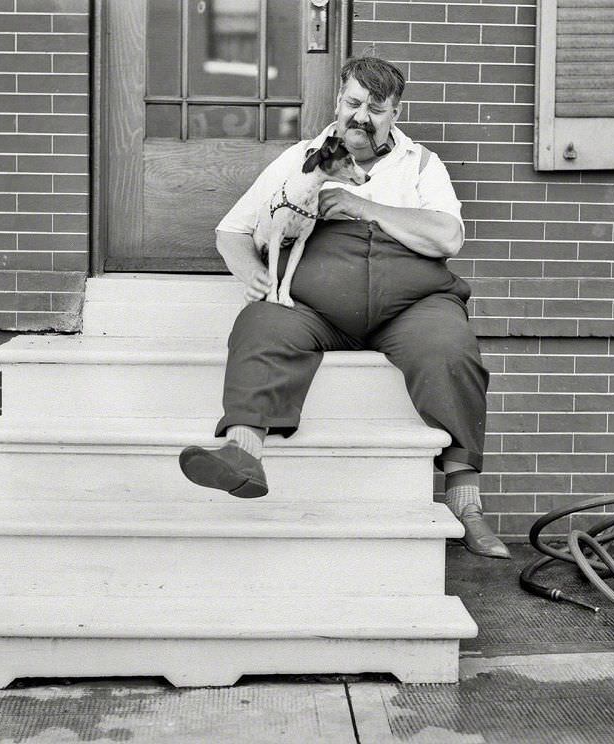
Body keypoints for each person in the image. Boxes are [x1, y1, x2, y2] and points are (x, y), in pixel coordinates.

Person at [178, 56, 508, 559]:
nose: (361, 116)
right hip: (316, 306)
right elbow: (231, 230)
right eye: (353, 103)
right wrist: (253, 274)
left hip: (412, 305)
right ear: (338, 102)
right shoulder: (300, 158)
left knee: (450, 348)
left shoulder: (421, 164)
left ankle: (467, 502)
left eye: (376, 109)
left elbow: (448, 237)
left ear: (396, 113)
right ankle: (243, 453)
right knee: (260, 324)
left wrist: (362, 206)